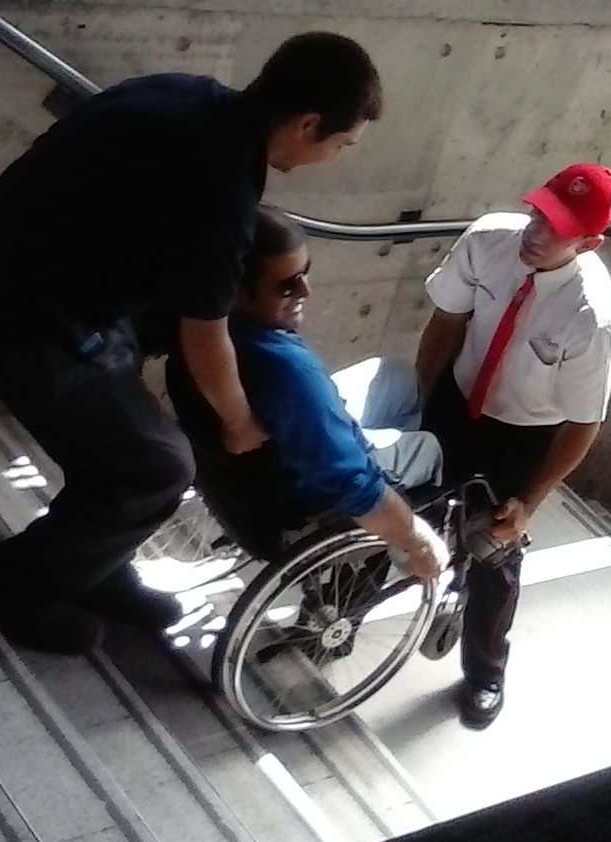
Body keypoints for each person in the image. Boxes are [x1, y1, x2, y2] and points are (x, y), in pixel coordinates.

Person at [0, 33, 383, 653]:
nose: (340, 156)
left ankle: (94, 559)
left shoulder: (188, 96)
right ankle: (17, 583)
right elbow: (205, 330)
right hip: (12, 311)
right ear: (307, 124)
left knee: (126, 419)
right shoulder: (223, 187)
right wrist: (241, 422)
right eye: (344, 144)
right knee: (157, 467)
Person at [415, 164, 611, 728]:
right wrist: (421, 408)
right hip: (456, 398)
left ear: (590, 243)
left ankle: (484, 673)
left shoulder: (594, 318)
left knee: (494, 552)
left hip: (522, 434)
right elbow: (445, 324)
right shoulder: (487, 240)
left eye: (556, 228)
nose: (535, 231)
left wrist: (529, 502)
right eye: (537, 213)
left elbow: (582, 424)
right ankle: (327, 614)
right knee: (392, 502)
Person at [165, 206, 447, 580]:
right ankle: (384, 549)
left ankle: (381, 449)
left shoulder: (198, 335)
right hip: (293, 517)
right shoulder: (288, 372)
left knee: (397, 378)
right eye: (286, 285)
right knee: (430, 448)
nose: (305, 291)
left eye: (306, 274)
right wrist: (417, 539)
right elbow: (353, 486)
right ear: (235, 291)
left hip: (240, 486)